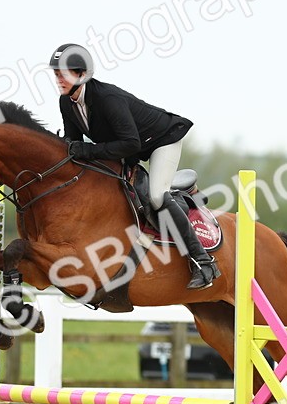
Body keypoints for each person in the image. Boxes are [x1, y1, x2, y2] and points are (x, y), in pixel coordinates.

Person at [48, 42, 220, 290]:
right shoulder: (66, 103)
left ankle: (203, 262)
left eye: (64, 74)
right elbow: (74, 144)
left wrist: (86, 150)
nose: (59, 80)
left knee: (157, 197)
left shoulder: (107, 99)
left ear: (82, 74)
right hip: (131, 149)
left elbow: (129, 143)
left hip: (162, 140)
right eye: (56, 74)